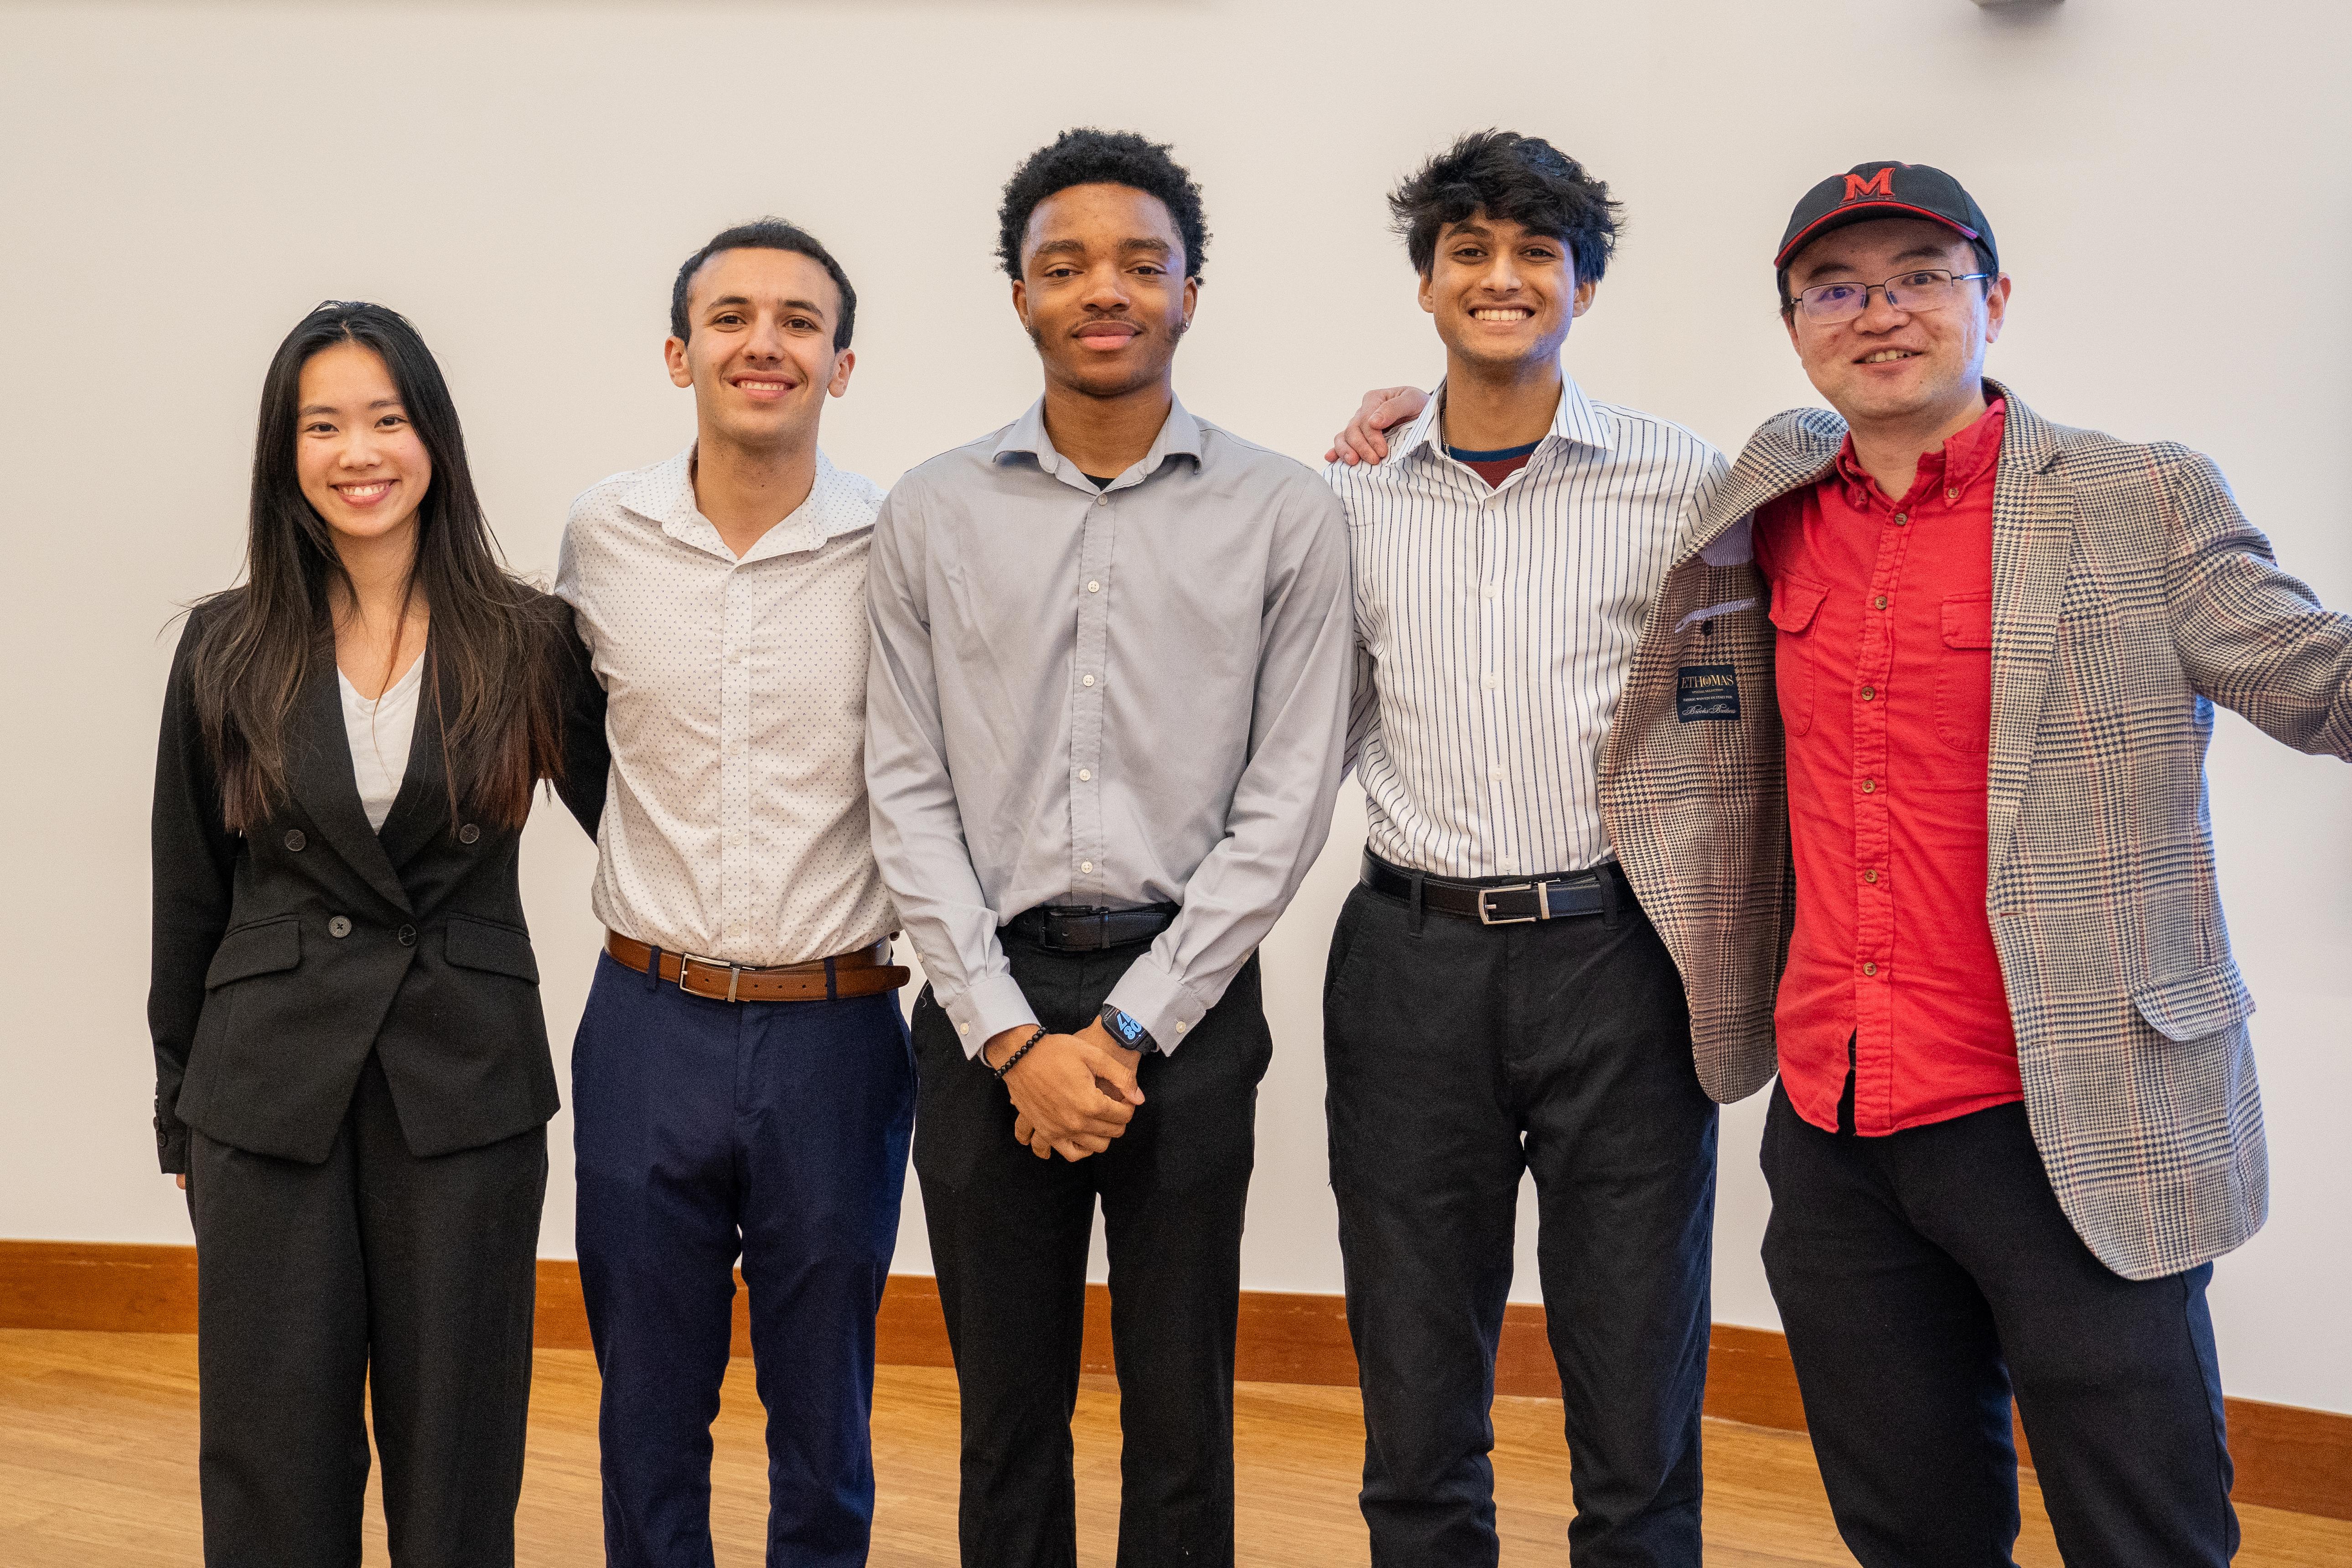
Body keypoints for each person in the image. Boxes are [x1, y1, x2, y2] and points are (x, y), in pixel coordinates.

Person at [1338, 158, 2352, 1567]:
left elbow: (2319, 680)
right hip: (1837, 1123)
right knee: (1908, 1529)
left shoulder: (2137, 498)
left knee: (2147, 1531)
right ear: (1798, 323)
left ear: (1992, 299)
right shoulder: (1769, 496)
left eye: (1921, 278)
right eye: (1837, 288)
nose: (1879, 314)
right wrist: (1393, 413)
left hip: (2065, 1108)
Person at [864, 128, 1353, 1568]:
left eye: (1143, 263)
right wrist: (1016, 1042)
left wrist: (1132, 1024)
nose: (1106, 290)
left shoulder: (1284, 513)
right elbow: (905, 788)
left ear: (1191, 292)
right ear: (1019, 294)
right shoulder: (932, 510)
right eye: (1065, 264)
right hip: (983, 1002)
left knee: (1182, 1403)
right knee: (1006, 1409)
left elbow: (1288, 800)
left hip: (1189, 1009)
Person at [1318, 131, 1727, 1568]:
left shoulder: (1686, 483)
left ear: (1585, 286)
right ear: (1427, 284)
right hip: (1407, 959)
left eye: (1535, 252)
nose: (1501, 277)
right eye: (1469, 251)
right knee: (1416, 1367)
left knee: (1635, 1362)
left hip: (1619, 959)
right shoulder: (1348, 494)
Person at [149, 300, 601, 1565]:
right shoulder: (224, 646)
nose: (360, 452)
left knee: (460, 1445)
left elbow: (646, 831)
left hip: (464, 1083)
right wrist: (176, 1098)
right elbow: (187, 888)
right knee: (271, 1446)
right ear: (285, 455)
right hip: (264, 1089)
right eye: (325, 425)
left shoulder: (529, 638)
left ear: (435, 440)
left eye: (387, 419)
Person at [554, 219, 914, 1568]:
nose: (764, 343)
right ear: (678, 351)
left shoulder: (900, 542)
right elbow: (590, 748)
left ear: (843, 363)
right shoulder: (605, 535)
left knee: (825, 1403)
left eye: (800, 322)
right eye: (731, 317)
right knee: (648, 1399)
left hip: (838, 1029)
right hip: (649, 1020)